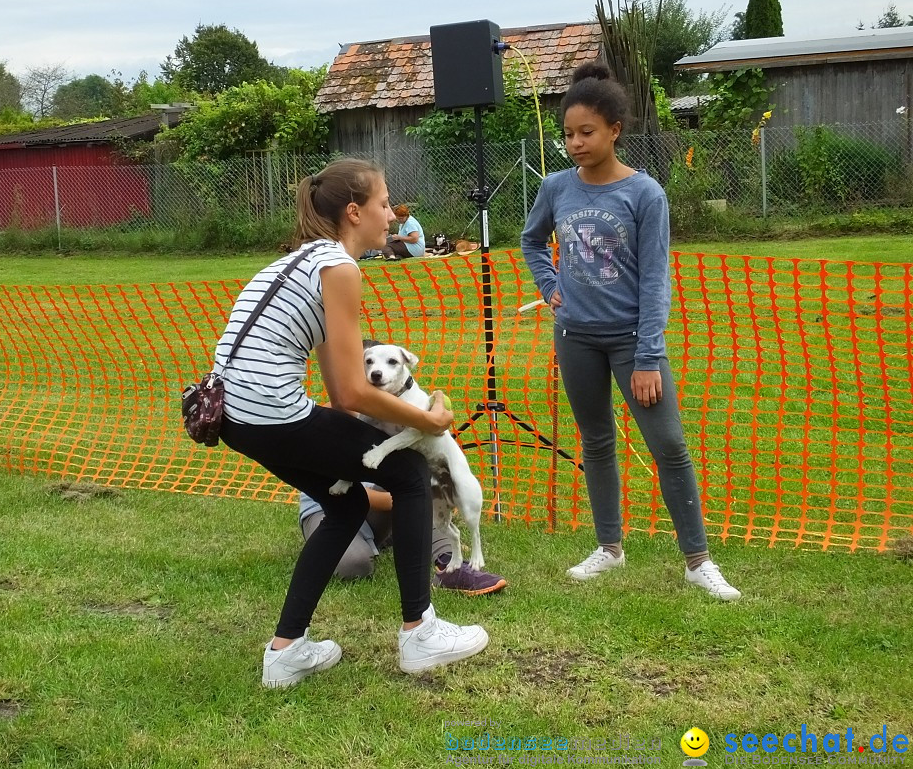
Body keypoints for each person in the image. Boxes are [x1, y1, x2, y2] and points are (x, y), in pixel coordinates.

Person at [213, 158, 489, 688]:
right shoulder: (340, 267)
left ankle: (285, 652)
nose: (393, 216)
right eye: (385, 204)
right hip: (269, 410)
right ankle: (420, 634)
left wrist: (370, 430)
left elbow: (340, 393)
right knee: (409, 474)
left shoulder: (303, 261)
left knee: (345, 506)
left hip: (233, 415)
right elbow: (352, 391)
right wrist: (429, 419)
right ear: (355, 211)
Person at [520, 62, 741, 601]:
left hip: (630, 342)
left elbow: (654, 279)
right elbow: (531, 240)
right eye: (569, 133)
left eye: (586, 133)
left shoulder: (646, 195)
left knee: (669, 446)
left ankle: (697, 561)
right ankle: (609, 548)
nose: (574, 143)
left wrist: (647, 356)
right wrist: (551, 287)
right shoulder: (555, 187)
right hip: (575, 338)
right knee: (596, 443)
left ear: (615, 130)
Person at [298, 484, 508, 595]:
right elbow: (337, 491)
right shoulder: (323, 419)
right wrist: (406, 497)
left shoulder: (387, 413)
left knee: (415, 468)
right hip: (324, 510)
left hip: (377, 508)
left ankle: (449, 563)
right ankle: (404, 529)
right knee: (354, 566)